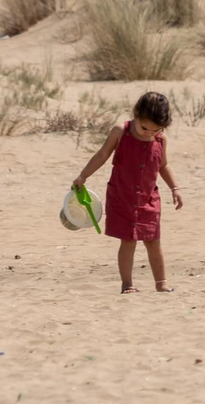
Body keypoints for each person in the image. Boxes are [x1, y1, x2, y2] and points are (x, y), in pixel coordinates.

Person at [72, 92, 183, 294]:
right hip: (122, 197)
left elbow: (163, 165)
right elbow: (102, 155)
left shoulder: (160, 140)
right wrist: (83, 176)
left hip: (149, 199)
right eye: (144, 128)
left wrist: (175, 188)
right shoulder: (120, 131)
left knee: (153, 241)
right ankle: (127, 284)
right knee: (128, 241)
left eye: (155, 130)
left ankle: (161, 283)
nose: (149, 134)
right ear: (136, 115)